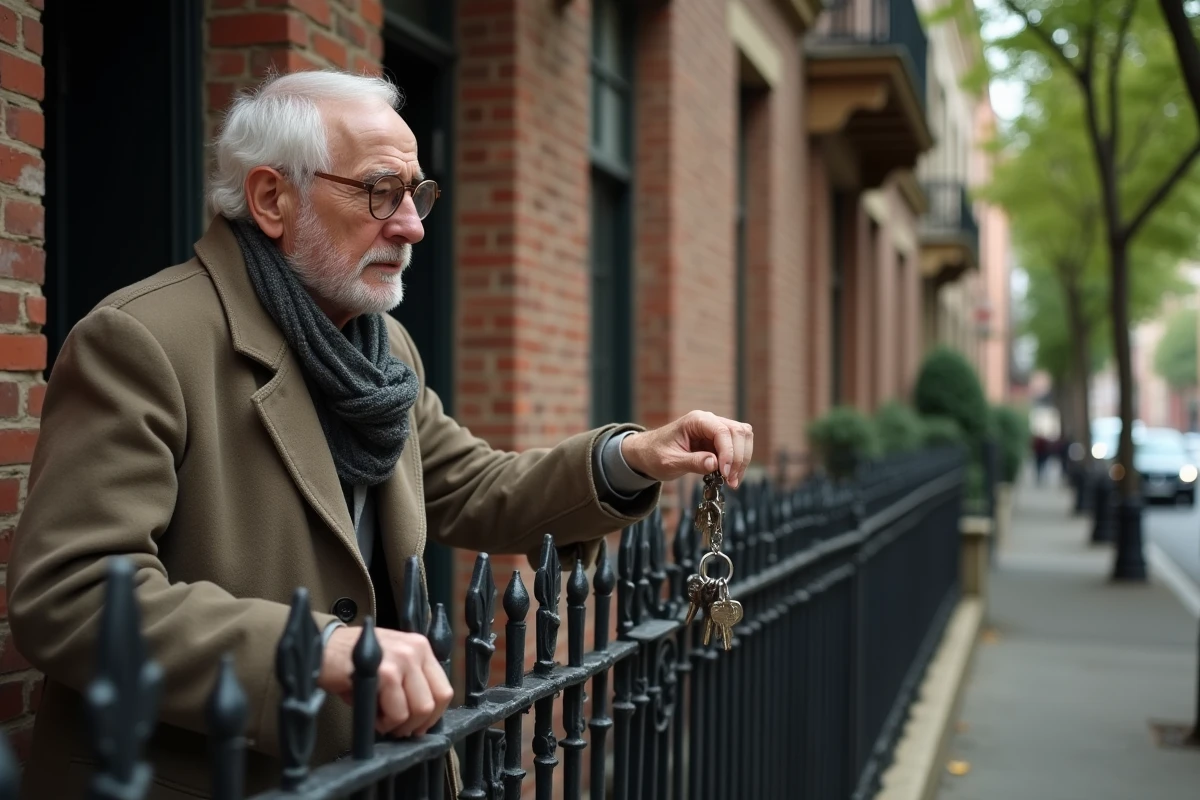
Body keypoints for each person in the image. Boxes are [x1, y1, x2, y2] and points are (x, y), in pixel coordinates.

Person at [5, 70, 754, 799]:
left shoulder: (381, 347)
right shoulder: (143, 341)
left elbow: (472, 486)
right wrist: (313, 648)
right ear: (272, 198)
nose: (412, 224)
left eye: (416, 193)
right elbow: (71, 597)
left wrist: (631, 457)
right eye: (380, 191)